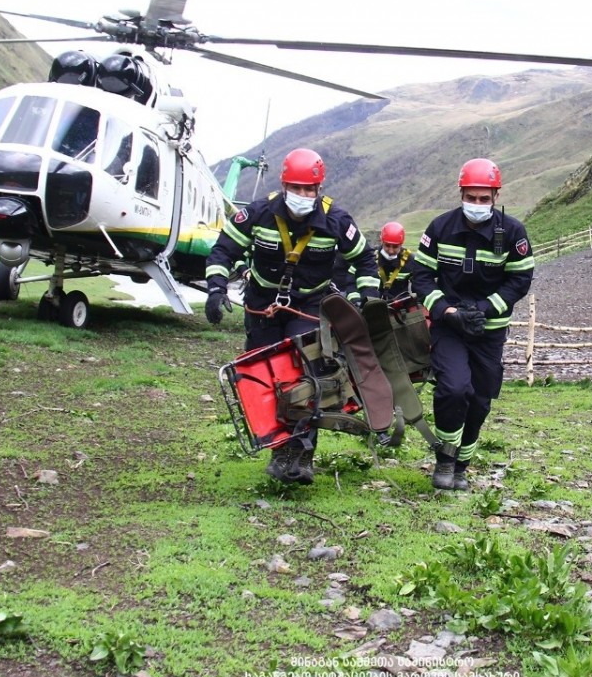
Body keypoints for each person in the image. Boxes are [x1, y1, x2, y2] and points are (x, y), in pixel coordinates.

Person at [204, 147, 381, 483]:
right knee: (265, 377)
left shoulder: (337, 220)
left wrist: (366, 297)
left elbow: (364, 260)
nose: (302, 195)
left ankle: (301, 453)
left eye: (309, 189)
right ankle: (279, 449)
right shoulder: (257, 213)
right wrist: (215, 289)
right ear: (284, 185)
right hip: (262, 305)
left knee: (305, 377)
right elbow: (223, 251)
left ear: (319, 189)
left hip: (309, 306)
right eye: (296, 188)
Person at [409, 158, 534, 490]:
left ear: (495, 197)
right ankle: (445, 460)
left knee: (480, 400)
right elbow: (421, 276)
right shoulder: (439, 228)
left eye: (484, 198)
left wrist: (484, 310)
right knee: (453, 389)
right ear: (461, 194)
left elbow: (520, 280)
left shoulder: (513, 233)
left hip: (489, 332)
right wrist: (447, 311)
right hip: (449, 328)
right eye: (471, 197)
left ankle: (461, 466)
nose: (477, 204)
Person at [377, 221, 413, 300]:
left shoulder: (410, 260)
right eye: (387, 245)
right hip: (374, 303)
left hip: (400, 304)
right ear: (381, 241)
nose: (391, 251)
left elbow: (419, 284)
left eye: (395, 246)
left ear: (401, 244)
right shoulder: (370, 258)